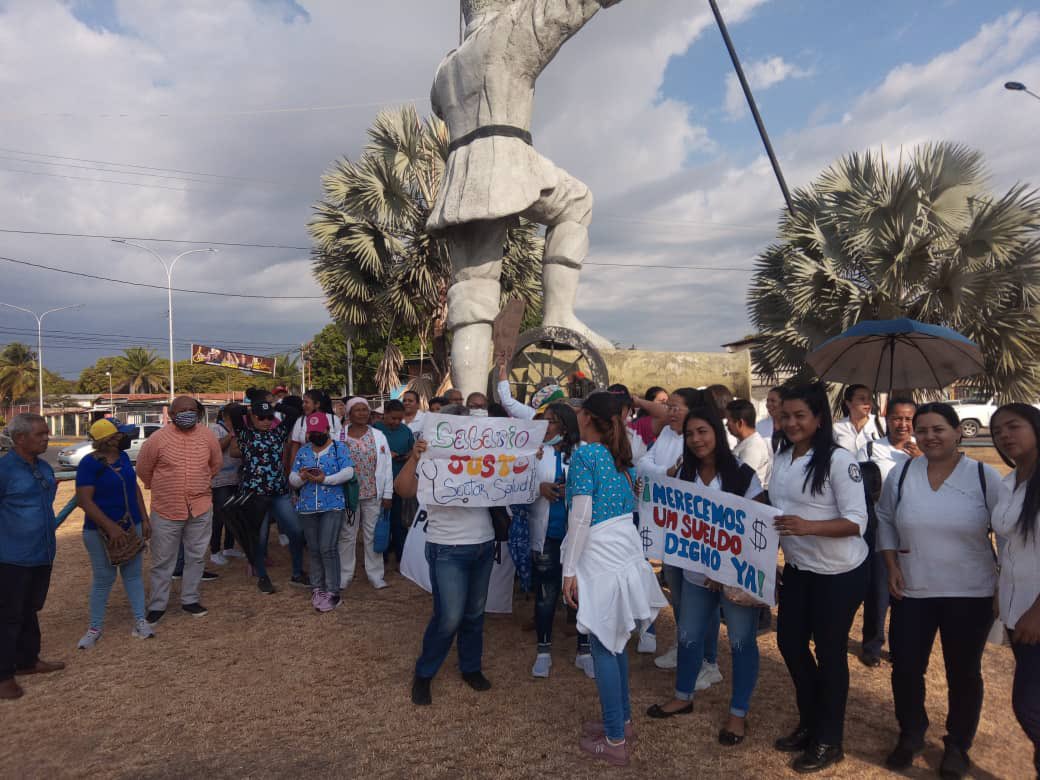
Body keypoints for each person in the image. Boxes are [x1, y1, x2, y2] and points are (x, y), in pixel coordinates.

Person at [876, 402, 1003, 777]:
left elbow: (1007, 534)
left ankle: (958, 746)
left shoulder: (983, 477)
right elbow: (884, 519)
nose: (929, 436)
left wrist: (1004, 584)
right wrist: (891, 564)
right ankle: (911, 733)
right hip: (913, 589)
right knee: (906, 669)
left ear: (958, 432)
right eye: (922, 429)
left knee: (963, 672)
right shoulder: (901, 475)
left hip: (970, 592)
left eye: (939, 429)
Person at [646, 407, 763, 748]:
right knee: (688, 635)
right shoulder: (684, 472)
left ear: (717, 432)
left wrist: (725, 568)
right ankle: (683, 696)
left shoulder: (743, 475)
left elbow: (756, 528)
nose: (697, 440)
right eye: (690, 434)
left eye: (703, 432)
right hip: (696, 574)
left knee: (742, 642)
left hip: (735, 580)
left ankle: (738, 713)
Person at [562, 392, 667, 766]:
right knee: (617, 641)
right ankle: (620, 722)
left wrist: (569, 569)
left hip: (600, 556)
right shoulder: (622, 459)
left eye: (579, 411)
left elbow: (581, 515)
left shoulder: (587, 455)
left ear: (588, 417)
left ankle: (615, 739)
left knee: (606, 643)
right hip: (623, 553)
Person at [769, 382, 869, 773]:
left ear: (819, 419)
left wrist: (809, 527)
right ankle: (810, 722)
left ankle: (830, 739)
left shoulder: (839, 460)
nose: (791, 423)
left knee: (830, 655)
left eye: (800, 416)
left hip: (839, 573)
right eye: (785, 415)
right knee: (790, 644)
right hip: (798, 569)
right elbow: (776, 504)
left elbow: (857, 521)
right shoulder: (782, 455)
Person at [395, 404, 497, 706]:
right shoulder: (429, 454)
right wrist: (415, 456)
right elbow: (403, 490)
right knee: (448, 617)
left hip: (483, 542)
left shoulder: (483, 455)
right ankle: (424, 673)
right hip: (446, 546)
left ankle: (471, 667)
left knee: (475, 614)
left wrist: (527, 461)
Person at [137, 396, 222, 625]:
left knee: (196, 556)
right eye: (182, 410)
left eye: (192, 410)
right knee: (163, 560)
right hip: (166, 508)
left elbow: (215, 464)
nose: (187, 413)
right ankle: (157, 605)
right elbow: (144, 469)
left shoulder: (207, 436)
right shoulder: (157, 439)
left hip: (200, 507)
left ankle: (190, 599)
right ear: (172, 415)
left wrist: (199, 483)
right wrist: (166, 487)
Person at [636, 387, 704, 670]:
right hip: (667, 527)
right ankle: (682, 644)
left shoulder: (698, 440)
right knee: (676, 591)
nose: (671, 412)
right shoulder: (665, 434)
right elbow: (642, 464)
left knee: (698, 598)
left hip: (691, 530)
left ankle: (705, 657)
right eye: (670, 407)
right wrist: (666, 473)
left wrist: (660, 474)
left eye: (677, 407)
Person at [990, 403, 1040, 777]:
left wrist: (1037, 612)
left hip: (1034, 614)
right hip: (1014, 609)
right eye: (998, 431)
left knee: (1029, 706)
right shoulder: (1009, 483)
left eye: (1013, 426)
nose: (1005, 435)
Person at [75, 419, 154, 649]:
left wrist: (144, 518)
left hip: (131, 525)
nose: (124, 438)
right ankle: (95, 627)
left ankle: (140, 620)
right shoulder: (90, 464)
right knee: (104, 578)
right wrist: (110, 527)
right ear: (108, 440)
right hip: (99, 531)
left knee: (133, 575)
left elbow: (134, 488)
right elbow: (84, 501)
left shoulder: (122, 459)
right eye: (120, 435)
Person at [0, 414, 63, 700]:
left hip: (42, 553)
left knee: (30, 609)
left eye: (46, 433)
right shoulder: (5, 470)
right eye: (40, 434)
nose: (46, 438)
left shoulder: (44, 467)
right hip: (11, 557)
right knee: (8, 615)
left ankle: (28, 661)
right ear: (20, 438)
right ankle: (3, 676)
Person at [854, 397, 919, 668]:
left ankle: (902, 645)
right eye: (896, 418)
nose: (902, 424)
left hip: (915, 530)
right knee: (879, 590)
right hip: (881, 528)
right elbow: (858, 483)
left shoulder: (924, 450)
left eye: (908, 419)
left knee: (908, 592)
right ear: (886, 418)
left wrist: (923, 461)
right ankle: (872, 643)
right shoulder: (870, 448)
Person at [528, 402, 589, 678]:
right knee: (545, 594)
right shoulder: (534, 453)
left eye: (550, 421)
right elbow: (515, 487)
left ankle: (584, 650)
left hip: (579, 538)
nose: (544, 426)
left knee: (582, 593)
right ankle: (543, 651)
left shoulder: (584, 453)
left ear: (564, 426)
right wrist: (538, 488)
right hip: (547, 536)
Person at [231, 400, 308, 595]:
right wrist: (250, 409)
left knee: (297, 531)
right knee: (260, 537)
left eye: (269, 418)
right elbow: (233, 411)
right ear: (252, 418)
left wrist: (275, 408)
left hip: (279, 492)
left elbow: (294, 412)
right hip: (254, 494)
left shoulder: (278, 432)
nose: (266, 421)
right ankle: (262, 576)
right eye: (261, 417)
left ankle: (297, 573)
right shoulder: (244, 434)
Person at [290, 413, 355, 613]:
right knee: (315, 548)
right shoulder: (303, 451)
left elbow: (348, 472)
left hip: (332, 505)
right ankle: (317, 588)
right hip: (308, 506)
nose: (315, 435)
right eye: (312, 432)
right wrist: (302, 477)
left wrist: (325, 480)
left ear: (327, 430)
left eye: (319, 431)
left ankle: (333, 592)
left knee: (328, 548)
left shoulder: (339, 448)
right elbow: (292, 478)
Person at [339, 398, 393, 590]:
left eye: (365, 410)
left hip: (373, 493)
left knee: (372, 535)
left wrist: (388, 494)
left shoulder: (378, 436)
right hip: (348, 495)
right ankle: (345, 575)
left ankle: (375, 574)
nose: (362, 413)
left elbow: (387, 467)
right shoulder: (339, 436)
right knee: (347, 535)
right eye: (357, 410)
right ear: (349, 414)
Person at [374, 399, 415, 566]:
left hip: (398, 483)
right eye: (392, 418)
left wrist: (404, 456)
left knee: (398, 522)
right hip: (379, 484)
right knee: (379, 521)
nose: (396, 422)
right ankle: (379, 557)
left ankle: (401, 557)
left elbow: (413, 451)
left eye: (400, 419)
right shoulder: (375, 430)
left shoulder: (406, 431)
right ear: (385, 415)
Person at [208, 404, 245, 566]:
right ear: (227, 416)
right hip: (220, 480)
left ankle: (228, 547)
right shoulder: (215, 428)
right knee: (220, 515)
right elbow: (215, 448)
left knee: (233, 514)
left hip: (236, 478)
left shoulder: (241, 428)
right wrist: (231, 435)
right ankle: (214, 550)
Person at [725, 399, 772, 488]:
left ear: (740, 423)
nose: (727, 424)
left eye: (729, 420)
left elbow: (742, 482)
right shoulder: (746, 443)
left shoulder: (752, 448)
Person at [289, 390, 342, 464]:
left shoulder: (333, 419)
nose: (303, 405)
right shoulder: (300, 421)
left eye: (306, 402)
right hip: (306, 465)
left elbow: (341, 445)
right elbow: (295, 449)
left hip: (331, 466)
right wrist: (292, 470)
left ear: (317, 404)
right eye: (303, 402)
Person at [832, 384, 881, 453]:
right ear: (848, 403)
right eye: (862, 399)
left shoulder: (881, 424)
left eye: (869, 398)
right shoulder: (837, 427)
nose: (867, 402)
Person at [756, 386, 784, 453]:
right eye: (767, 401)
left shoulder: (792, 425)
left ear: (784, 402)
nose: (768, 404)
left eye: (773, 401)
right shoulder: (759, 426)